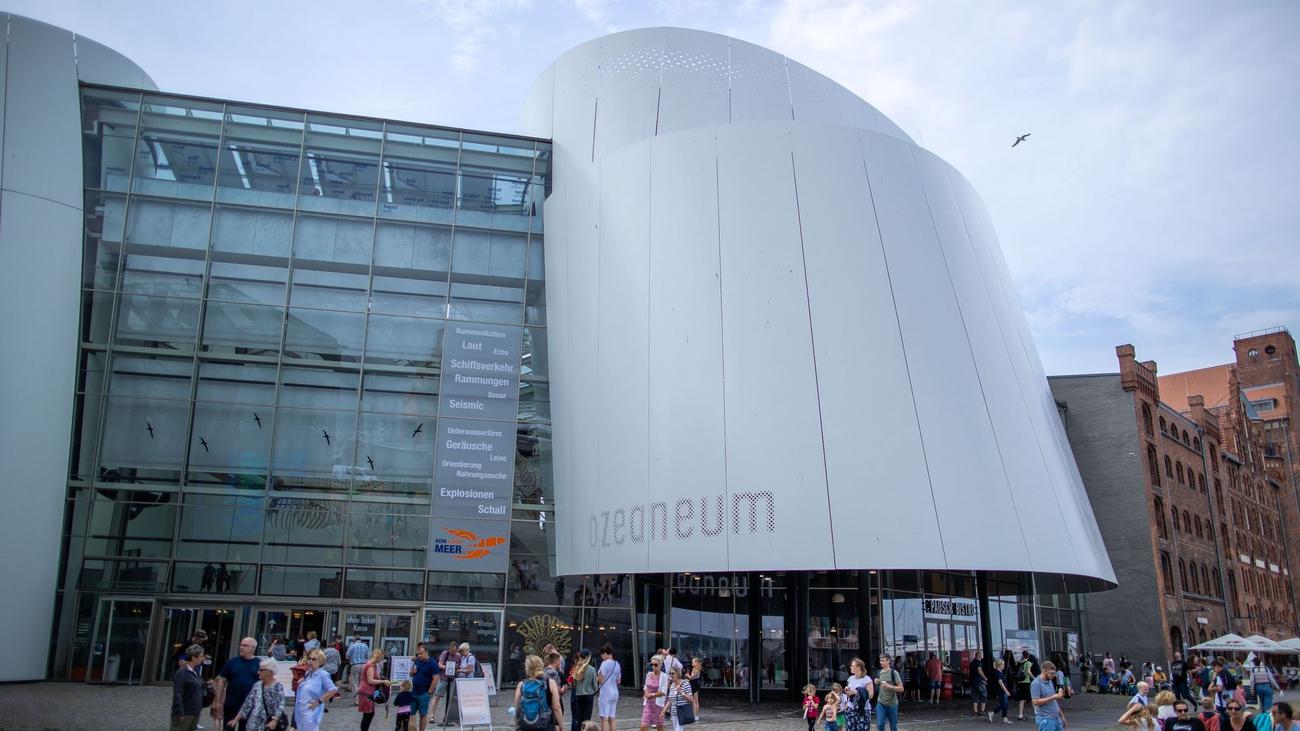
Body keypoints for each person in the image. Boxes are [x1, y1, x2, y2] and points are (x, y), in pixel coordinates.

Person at [214, 637, 262, 730]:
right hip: (232, 703)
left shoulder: (259, 663)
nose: (241, 647)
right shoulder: (233, 662)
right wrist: (218, 701)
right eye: (241, 645)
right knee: (228, 728)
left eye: (245, 645)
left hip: (250, 705)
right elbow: (221, 680)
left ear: (253, 648)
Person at [228, 658, 286, 731]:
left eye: (261, 670)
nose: (258, 672)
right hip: (252, 725)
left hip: (267, 727)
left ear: (270, 672)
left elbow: (280, 705)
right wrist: (236, 719)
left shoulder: (277, 686)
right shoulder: (257, 685)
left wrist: (274, 720)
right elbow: (248, 703)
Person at [515, 654, 565, 730]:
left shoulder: (521, 685)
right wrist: (562, 727)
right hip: (545, 725)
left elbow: (516, 709)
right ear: (541, 666)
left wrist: (517, 726)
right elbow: (556, 708)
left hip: (525, 725)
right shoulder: (550, 683)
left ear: (527, 668)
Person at [295, 648, 339, 731]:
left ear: (320, 661)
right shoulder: (308, 673)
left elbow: (333, 689)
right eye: (309, 659)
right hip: (300, 710)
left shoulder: (323, 674)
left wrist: (319, 701)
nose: (310, 661)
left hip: (311, 711)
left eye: (314, 659)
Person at [172, 644, 207, 731]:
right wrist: (180, 713)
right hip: (185, 714)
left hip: (195, 713)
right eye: (201, 656)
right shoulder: (182, 673)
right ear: (194, 658)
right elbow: (177, 694)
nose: (203, 658)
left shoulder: (195, 671)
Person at [357, 647, 391, 731]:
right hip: (366, 692)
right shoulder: (370, 665)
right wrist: (383, 681)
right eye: (381, 658)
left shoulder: (373, 665)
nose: (382, 660)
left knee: (369, 714)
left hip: (369, 692)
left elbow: (375, 678)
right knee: (368, 714)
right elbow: (370, 680)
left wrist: (382, 679)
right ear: (378, 656)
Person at [407, 644, 439, 731]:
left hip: (424, 693)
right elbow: (411, 674)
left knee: (423, 714)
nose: (419, 655)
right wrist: (412, 672)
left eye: (421, 653)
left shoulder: (433, 663)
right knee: (410, 713)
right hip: (414, 692)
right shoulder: (417, 661)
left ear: (426, 652)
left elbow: (436, 678)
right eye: (418, 654)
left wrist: (430, 692)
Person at [1031, 660, 1067, 731]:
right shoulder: (1036, 683)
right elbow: (1035, 702)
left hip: (1056, 717)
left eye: (1054, 673)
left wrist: (1062, 716)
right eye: (1052, 673)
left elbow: (1054, 701)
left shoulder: (1049, 681)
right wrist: (1053, 697)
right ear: (1044, 671)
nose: (1054, 675)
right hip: (1046, 719)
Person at [570, 649, 597, 731]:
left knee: (579, 720)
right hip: (589, 696)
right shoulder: (592, 669)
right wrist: (596, 689)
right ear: (588, 657)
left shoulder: (576, 668)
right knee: (587, 720)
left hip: (579, 695)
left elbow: (574, 684)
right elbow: (595, 686)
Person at [843, 658, 874, 731]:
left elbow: (870, 695)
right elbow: (848, 694)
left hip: (863, 710)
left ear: (859, 667)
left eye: (852, 666)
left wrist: (856, 692)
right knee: (849, 729)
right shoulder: (850, 678)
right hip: (850, 708)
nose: (850, 667)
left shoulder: (867, 679)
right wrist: (847, 691)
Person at [430, 641, 458, 719]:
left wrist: (456, 668)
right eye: (451, 650)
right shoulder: (445, 653)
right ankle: (432, 715)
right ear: (449, 649)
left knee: (451, 698)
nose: (452, 652)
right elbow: (439, 664)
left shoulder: (458, 656)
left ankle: (448, 716)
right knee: (437, 696)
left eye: (454, 651)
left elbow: (459, 666)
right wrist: (448, 668)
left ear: (457, 649)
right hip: (443, 678)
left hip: (452, 679)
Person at [660, 665, 694, 731]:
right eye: (670, 673)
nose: (671, 675)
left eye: (673, 673)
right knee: (676, 729)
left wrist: (682, 693)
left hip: (682, 712)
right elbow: (670, 700)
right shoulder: (672, 685)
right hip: (674, 713)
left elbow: (691, 699)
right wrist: (663, 712)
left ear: (678, 674)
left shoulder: (685, 683)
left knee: (678, 729)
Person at [640, 654, 669, 731]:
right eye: (651, 664)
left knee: (660, 727)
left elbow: (663, 691)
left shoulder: (664, 676)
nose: (653, 666)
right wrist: (646, 693)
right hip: (648, 703)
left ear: (660, 665)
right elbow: (645, 686)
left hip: (658, 704)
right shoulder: (649, 674)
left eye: (655, 665)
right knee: (643, 726)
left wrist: (651, 694)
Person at [596, 645, 621, 731]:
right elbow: (618, 681)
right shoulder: (617, 664)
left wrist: (596, 678)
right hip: (615, 692)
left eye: (602, 655)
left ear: (605, 653)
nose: (602, 657)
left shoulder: (605, 663)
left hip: (606, 693)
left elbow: (600, 680)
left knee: (604, 718)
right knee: (612, 718)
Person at [876, 654, 903, 731]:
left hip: (892, 703)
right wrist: (877, 681)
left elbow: (901, 688)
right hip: (881, 702)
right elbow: (880, 682)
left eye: (883, 660)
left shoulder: (894, 673)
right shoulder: (879, 672)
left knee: (893, 726)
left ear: (888, 661)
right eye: (880, 660)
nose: (881, 662)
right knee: (880, 725)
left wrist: (890, 687)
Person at [992, 658, 1013, 724]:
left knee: (1005, 704)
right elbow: (1000, 682)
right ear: (999, 665)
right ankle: (992, 713)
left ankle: (1004, 718)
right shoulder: (998, 673)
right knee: (1004, 705)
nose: (1004, 665)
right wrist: (1006, 691)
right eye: (1003, 664)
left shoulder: (1000, 672)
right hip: (1001, 691)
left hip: (1002, 691)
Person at [1017, 652, 1036, 721]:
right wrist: (1034, 678)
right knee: (1033, 698)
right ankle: (1037, 714)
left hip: (1020, 682)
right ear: (1028, 656)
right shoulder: (1028, 663)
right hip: (1026, 682)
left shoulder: (1019, 663)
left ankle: (1020, 715)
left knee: (1022, 699)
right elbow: (1028, 671)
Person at [970, 652, 988, 718]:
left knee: (975, 696)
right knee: (984, 695)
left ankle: (975, 711)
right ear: (980, 656)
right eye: (981, 655)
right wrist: (985, 678)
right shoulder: (978, 662)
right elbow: (979, 671)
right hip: (979, 682)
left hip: (973, 682)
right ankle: (982, 711)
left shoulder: (972, 662)